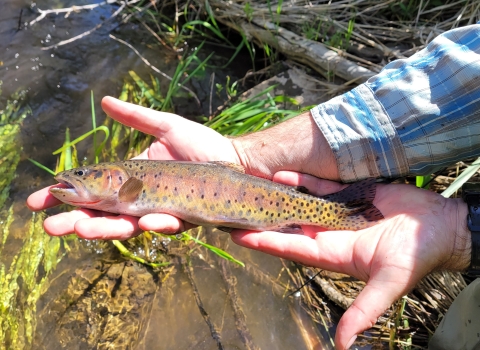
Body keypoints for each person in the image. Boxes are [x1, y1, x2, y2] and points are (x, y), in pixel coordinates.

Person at [27, 23, 480, 349]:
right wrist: (462, 230)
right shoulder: (122, 191)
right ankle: (341, 212)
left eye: (85, 176)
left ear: (114, 180)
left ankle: (340, 212)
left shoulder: (126, 189)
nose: (74, 180)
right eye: (80, 177)